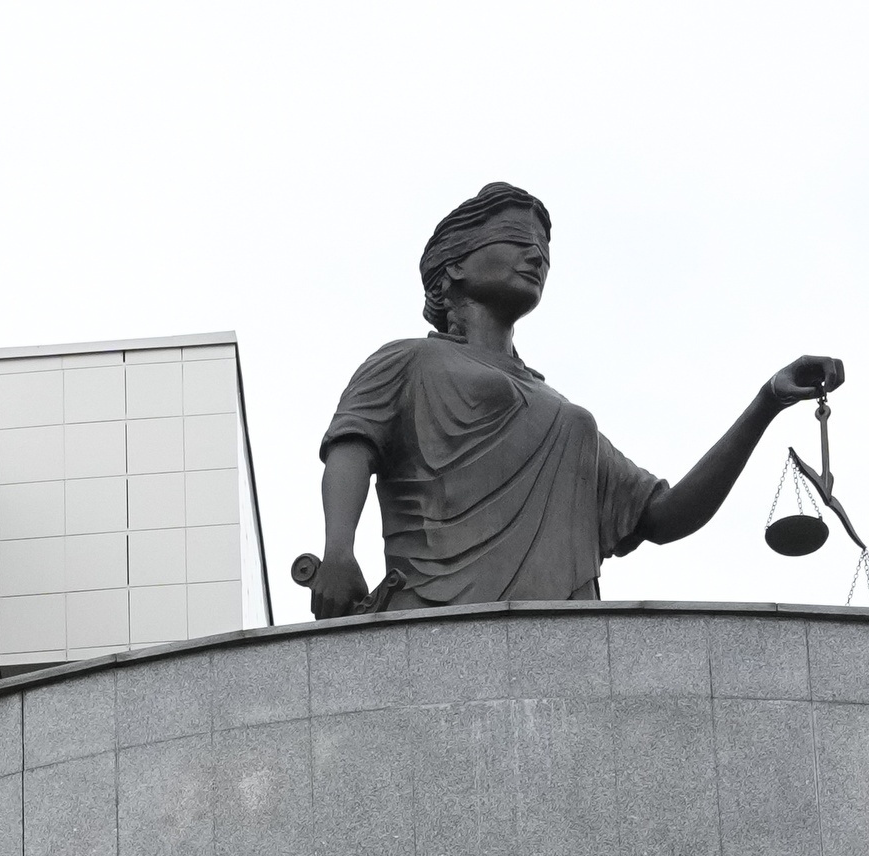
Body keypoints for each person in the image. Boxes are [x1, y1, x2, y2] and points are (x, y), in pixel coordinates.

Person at [294, 183, 841, 616]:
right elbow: (352, 444)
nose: (536, 255)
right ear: (454, 265)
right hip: (436, 619)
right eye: (515, 239)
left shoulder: (559, 415)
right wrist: (339, 551)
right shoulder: (409, 360)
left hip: (563, 638)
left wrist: (766, 401)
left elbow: (664, 514)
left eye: (545, 250)